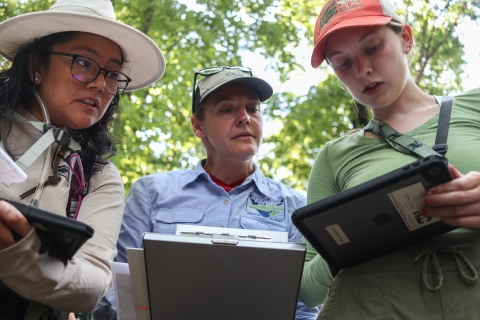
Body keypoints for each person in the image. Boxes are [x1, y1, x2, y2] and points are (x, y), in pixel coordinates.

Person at [93, 66, 320, 319]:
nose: (245, 117)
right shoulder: (151, 192)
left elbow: (304, 308)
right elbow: (114, 287)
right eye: (227, 109)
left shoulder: (293, 205)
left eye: (253, 108)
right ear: (197, 126)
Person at [300, 0, 480, 318]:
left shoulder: (474, 107)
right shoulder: (333, 157)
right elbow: (306, 290)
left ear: (406, 39)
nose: (362, 70)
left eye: (372, 47)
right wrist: (353, 237)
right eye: (342, 64)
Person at [0, 0, 165, 319]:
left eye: (113, 73)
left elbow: (92, 285)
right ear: (36, 66)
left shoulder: (99, 176)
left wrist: (15, 255)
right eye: (84, 62)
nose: (101, 84)